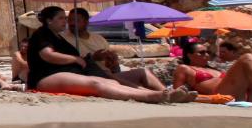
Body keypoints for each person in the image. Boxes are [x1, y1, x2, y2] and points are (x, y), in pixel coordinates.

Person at [26, 6, 179, 103]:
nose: (66, 22)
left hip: (73, 73)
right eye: (62, 18)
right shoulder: (42, 34)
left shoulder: (59, 36)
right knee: (96, 84)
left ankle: (157, 93)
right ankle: (151, 96)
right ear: (48, 21)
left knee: (112, 82)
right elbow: (47, 55)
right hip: (47, 76)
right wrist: (76, 59)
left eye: (67, 19)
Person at [68, 8, 163, 92]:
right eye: (70, 20)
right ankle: (151, 94)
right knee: (109, 75)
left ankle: (166, 92)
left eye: (76, 20)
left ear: (86, 22)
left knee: (144, 72)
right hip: (89, 77)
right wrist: (93, 58)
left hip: (109, 75)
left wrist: (112, 61)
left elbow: (112, 65)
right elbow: (69, 63)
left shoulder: (98, 39)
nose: (72, 23)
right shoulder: (64, 39)